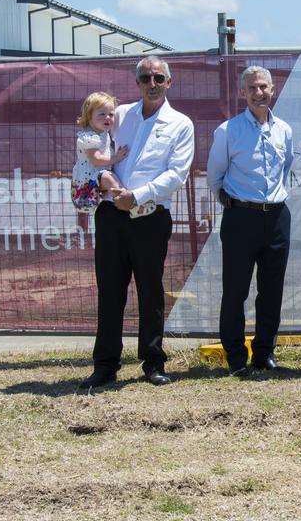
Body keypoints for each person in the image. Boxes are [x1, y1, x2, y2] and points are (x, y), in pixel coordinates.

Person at [79, 56, 194, 390]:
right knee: (110, 291)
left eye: (159, 78)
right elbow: (94, 148)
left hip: (150, 216)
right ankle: (105, 365)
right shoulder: (120, 116)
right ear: (138, 83)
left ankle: (153, 362)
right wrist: (102, 176)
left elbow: (177, 173)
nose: (152, 84)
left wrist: (139, 195)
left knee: (150, 290)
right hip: (112, 214)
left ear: (169, 82)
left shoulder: (180, 124)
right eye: (146, 78)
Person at [206, 66, 293, 378]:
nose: (259, 93)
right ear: (243, 92)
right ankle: (235, 356)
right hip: (241, 217)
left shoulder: (284, 130)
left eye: (264, 87)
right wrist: (234, 203)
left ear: (273, 90)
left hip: (277, 217)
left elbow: (287, 170)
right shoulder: (228, 131)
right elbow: (215, 176)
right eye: (252, 88)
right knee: (236, 290)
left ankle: (264, 352)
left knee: (272, 291)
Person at [71, 92, 128, 213]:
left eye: (111, 114)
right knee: (108, 178)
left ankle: (122, 200)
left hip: (97, 174)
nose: (107, 117)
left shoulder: (104, 133)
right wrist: (116, 158)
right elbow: (96, 159)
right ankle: (128, 200)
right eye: (102, 114)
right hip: (90, 178)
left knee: (108, 178)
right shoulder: (89, 137)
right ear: (89, 116)